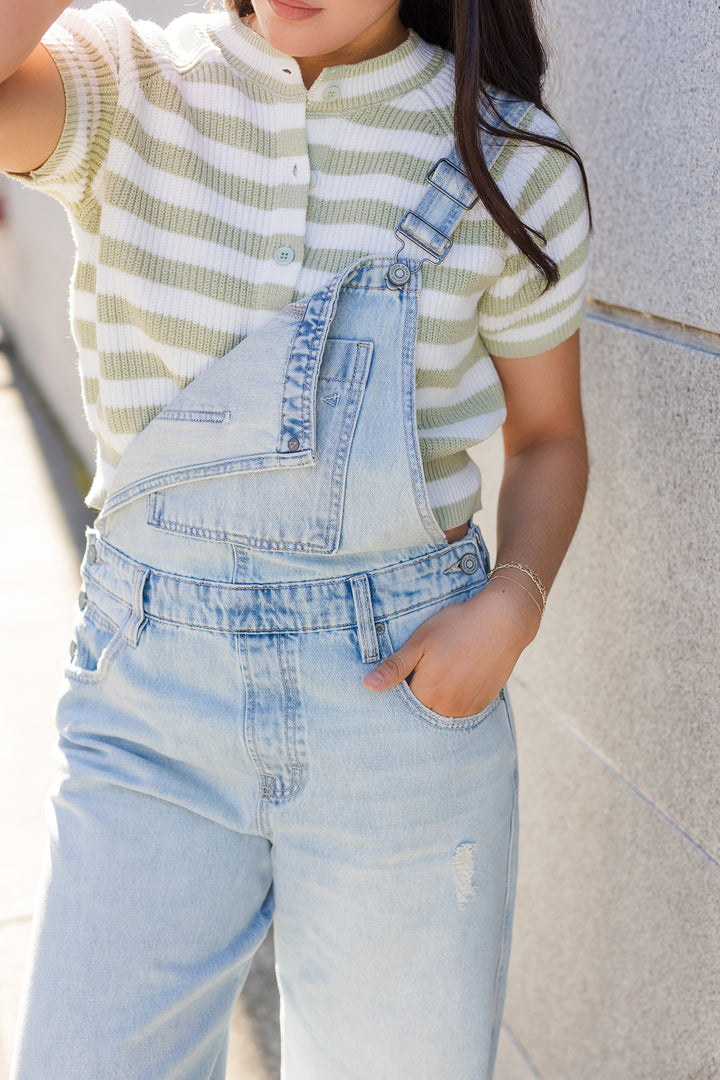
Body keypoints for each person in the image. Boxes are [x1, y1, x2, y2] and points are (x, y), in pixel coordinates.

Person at [1, 0, 590, 1076]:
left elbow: (551, 438)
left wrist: (513, 603)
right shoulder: (127, 84)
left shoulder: (510, 161)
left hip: (398, 712)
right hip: (150, 717)